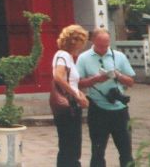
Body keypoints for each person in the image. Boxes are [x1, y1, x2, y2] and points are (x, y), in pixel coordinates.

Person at [76, 28, 135, 167]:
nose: (104, 48)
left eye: (106, 45)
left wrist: (118, 75)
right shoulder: (83, 58)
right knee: (97, 151)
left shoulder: (119, 56)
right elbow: (77, 82)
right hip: (97, 109)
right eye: (100, 45)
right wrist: (95, 80)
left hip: (120, 109)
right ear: (93, 41)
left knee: (126, 150)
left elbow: (131, 81)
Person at [51, 24, 90, 167]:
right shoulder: (64, 55)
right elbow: (58, 77)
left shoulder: (68, 58)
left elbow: (71, 82)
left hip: (72, 103)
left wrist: (79, 94)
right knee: (70, 144)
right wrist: (77, 95)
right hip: (68, 104)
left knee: (70, 144)